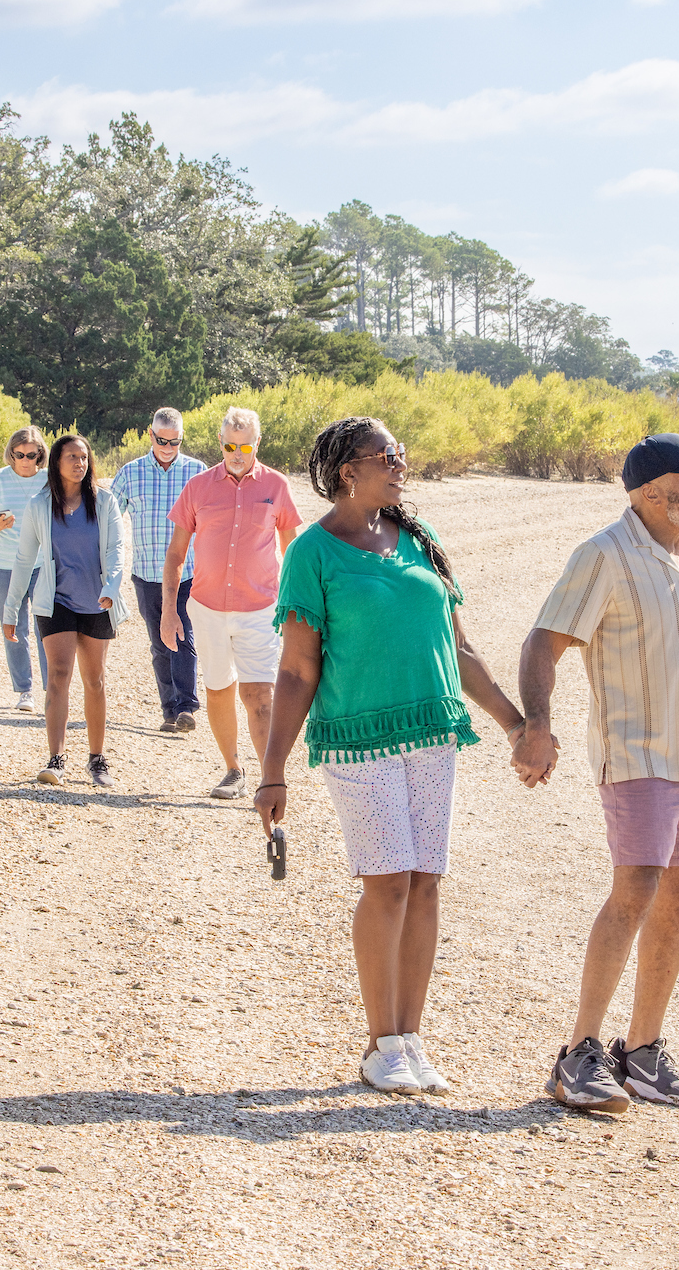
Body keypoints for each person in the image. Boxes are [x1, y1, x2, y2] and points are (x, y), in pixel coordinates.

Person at [513, 433, 679, 1115]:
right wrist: (536, 724)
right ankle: (578, 1055)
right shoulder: (603, 555)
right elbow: (545, 638)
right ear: (652, 492)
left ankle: (643, 1053)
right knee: (634, 889)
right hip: (636, 753)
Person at [258, 417, 525, 1096]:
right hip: (356, 737)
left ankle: (410, 1037)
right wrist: (272, 770)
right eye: (388, 455)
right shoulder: (313, 553)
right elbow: (295, 670)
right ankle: (380, 1043)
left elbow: (460, 649)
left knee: (426, 879)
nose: (401, 464)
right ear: (349, 469)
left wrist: (516, 725)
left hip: (432, 732)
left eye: (401, 453)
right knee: (388, 881)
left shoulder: (421, 538)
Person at [161, 406, 300, 799]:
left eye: (244, 446)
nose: (236, 453)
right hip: (206, 610)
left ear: (257, 444)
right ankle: (233, 770)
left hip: (260, 610)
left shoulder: (276, 486)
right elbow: (174, 555)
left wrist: (297, 607)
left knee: (259, 693)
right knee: (218, 688)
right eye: (229, 445)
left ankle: (270, 777)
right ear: (221, 443)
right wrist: (169, 610)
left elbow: (293, 551)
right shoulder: (198, 487)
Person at [4, 434, 129, 788]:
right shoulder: (40, 504)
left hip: (97, 601)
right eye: (72, 457)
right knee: (58, 675)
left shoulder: (104, 502)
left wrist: (111, 588)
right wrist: (11, 609)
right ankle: (55, 758)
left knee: (95, 680)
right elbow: (24, 558)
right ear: (56, 463)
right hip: (53, 601)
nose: (79, 463)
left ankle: (97, 759)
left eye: (84, 457)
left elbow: (117, 551)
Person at [109, 407, 206, 734]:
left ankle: (186, 707)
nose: (167, 447)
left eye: (174, 442)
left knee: (182, 634)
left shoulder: (197, 472)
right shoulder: (130, 473)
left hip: (188, 573)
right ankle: (169, 710)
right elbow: (110, 519)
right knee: (160, 642)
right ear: (150, 435)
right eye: (162, 440)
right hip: (147, 574)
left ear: (181, 438)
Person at [0, 426, 50, 713]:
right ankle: (24, 691)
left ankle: (51, 689)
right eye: (19, 454)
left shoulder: (48, 480)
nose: (25, 460)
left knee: (46, 627)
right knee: (13, 628)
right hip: (3, 566)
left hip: (42, 564)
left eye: (31, 455)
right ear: (11, 453)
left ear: (40, 454)